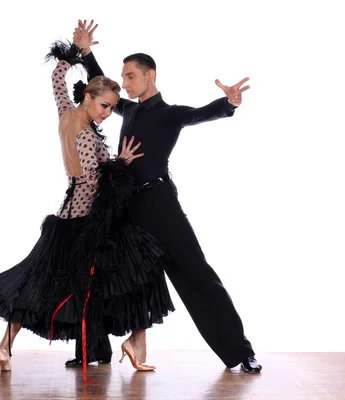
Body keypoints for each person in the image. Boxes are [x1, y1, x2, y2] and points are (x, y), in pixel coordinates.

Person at [70, 19, 262, 373]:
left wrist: (229, 103)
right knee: (107, 275)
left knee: (197, 276)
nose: (124, 83)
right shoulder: (127, 109)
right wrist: (86, 53)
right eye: (123, 77)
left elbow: (201, 113)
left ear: (150, 76)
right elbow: (103, 85)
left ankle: (240, 351)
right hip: (127, 208)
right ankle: (94, 351)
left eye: (130, 76)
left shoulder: (169, 114)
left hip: (160, 206)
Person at [0, 38, 175, 384]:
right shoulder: (85, 136)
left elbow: (57, 80)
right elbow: (92, 181)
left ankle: (6, 348)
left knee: (42, 285)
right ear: (88, 97)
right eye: (104, 105)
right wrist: (120, 165)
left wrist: (70, 56)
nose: (107, 113)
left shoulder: (66, 113)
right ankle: (129, 344)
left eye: (113, 108)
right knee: (133, 270)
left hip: (64, 220)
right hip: (87, 225)